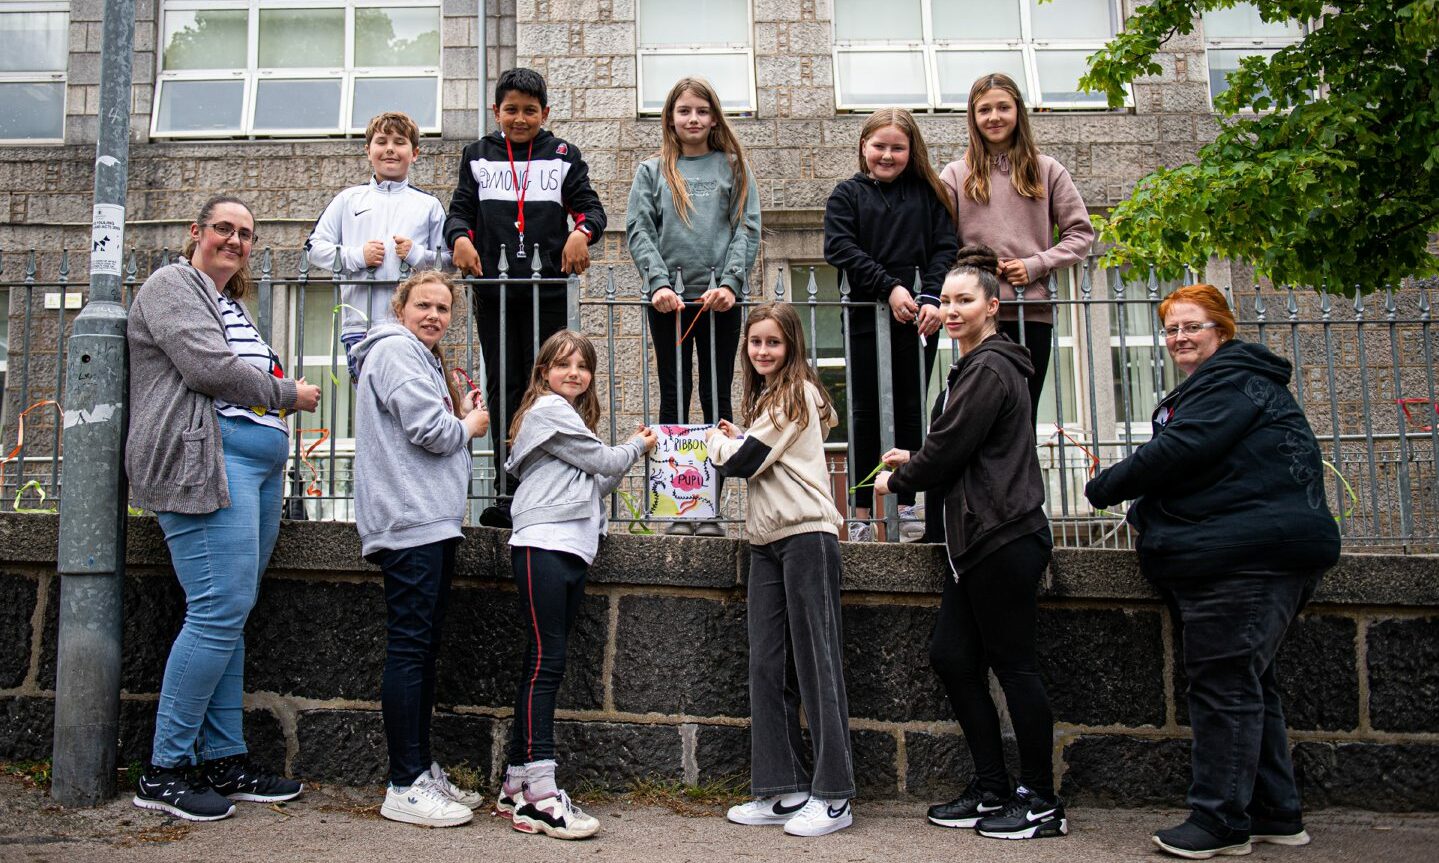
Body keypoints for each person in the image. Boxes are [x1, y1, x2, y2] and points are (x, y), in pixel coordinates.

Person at [1085, 284, 1339, 860]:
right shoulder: (1231, 386)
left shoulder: (1231, 384)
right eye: (1171, 329)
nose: (1179, 338)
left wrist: (1106, 487)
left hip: (1244, 559)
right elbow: (1207, 468)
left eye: (1191, 326)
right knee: (1249, 683)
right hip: (1256, 552)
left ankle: (1221, 821)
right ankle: (1276, 812)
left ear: (1221, 330)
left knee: (1223, 685)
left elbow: (1180, 451)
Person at [127, 195, 321, 821]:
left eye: (246, 234)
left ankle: (224, 758)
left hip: (255, 467)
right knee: (216, 611)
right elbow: (209, 369)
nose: (235, 241)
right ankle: (166, 768)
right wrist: (287, 394)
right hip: (206, 463)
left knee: (230, 613)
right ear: (196, 232)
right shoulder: (172, 284)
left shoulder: (228, 302)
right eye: (224, 229)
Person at [876, 245, 1066, 841]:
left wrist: (901, 477)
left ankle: (1040, 802)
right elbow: (964, 447)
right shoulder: (975, 366)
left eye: (965, 301)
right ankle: (991, 787)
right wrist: (919, 457)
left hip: (1002, 536)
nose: (952, 311)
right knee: (953, 657)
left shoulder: (987, 367)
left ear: (993, 304)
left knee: (1015, 668)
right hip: (977, 542)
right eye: (948, 301)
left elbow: (953, 448)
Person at [494, 330, 656, 839]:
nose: (574, 374)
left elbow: (597, 479)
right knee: (547, 665)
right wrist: (638, 445)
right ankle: (541, 795)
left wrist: (626, 456)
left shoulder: (565, 422)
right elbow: (608, 462)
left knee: (539, 663)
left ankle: (518, 783)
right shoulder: (550, 410)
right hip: (545, 545)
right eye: (563, 365)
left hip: (564, 546)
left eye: (582, 367)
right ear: (544, 372)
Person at [708, 302, 855, 838]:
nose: (763, 351)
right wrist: (738, 436)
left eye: (773, 342)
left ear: (790, 345)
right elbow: (750, 449)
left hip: (806, 535)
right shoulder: (769, 400)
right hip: (767, 540)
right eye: (755, 343)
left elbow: (743, 461)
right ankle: (784, 787)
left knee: (818, 666)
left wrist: (717, 441)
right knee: (768, 667)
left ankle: (834, 795)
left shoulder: (796, 394)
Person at [351, 271, 490, 828]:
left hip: (427, 520)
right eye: (423, 305)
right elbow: (430, 432)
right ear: (400, 306)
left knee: (423, 649)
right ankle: (404, 782)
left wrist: (457, 417)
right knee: (411, 649)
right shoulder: (397, 353)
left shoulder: (418, 356)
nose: (434, 315)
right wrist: (470, 424)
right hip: (409, 521)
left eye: (442, 308)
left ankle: (420, 768)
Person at [444, 67, 607, 528]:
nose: (520, 119)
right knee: (504, 385)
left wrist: (582, 232)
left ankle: (550, 486)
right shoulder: (477, 155)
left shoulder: (563, 155)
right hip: (494, 291)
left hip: (548, 292)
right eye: (511, 110)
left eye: (529, 111)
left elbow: (592, 208)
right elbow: (459, 210)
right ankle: (506, 489)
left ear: (545, 113)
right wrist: (459, 237)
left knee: (551, 389)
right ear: (497, 111)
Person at [626, 76, 761, 537]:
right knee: (675, 397)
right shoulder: (652, 171)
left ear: (714, 117)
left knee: (718, 397)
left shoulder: (732, 167)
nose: (693, 119)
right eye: (684, 111)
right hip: (670, 303)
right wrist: (658, 284)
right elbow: (640, 230)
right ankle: (678, 507)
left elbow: (747, 228)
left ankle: (711, 509)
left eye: (702, 111)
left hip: (719, 302)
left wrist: (730, 283)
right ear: (671, 117)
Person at [824, 107, 958, 542]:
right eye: (879, 146)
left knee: (910, 410)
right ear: (864, 147)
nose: (887, 154)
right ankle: (862, 512)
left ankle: (907, 503)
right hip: (865, 313)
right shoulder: (847, 194)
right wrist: (890, 288)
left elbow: (945, 248)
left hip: (919, 318)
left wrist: (931, 296)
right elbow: (840, 247)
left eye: (897, 147)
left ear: (910, 150)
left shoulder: (928, 195)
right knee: (863, 412)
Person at [939, 72, 1094, 418]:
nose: (994, 117)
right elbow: (941, 242)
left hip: (1032, 312)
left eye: (1003, 107)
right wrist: (975, 264)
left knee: (1022, 415)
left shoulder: (1049, 170)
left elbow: (1080, 234)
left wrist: (1035, 264)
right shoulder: (954, 174)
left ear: (1018, 112)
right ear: (973, 117)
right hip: (975, 314)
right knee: (977, 415)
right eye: (984, 110)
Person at [305, 111, 449, 382]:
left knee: (411, 399)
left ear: (415, 153)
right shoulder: (348, 200)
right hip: (361, 325)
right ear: (368, 151)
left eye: (399, 142)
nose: (390, 149)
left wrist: (417, 254)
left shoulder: (428, 205)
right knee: (373, 401)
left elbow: (447, 261)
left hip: (411, 326)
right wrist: (357, 256)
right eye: (381, 142)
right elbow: (313, 248)